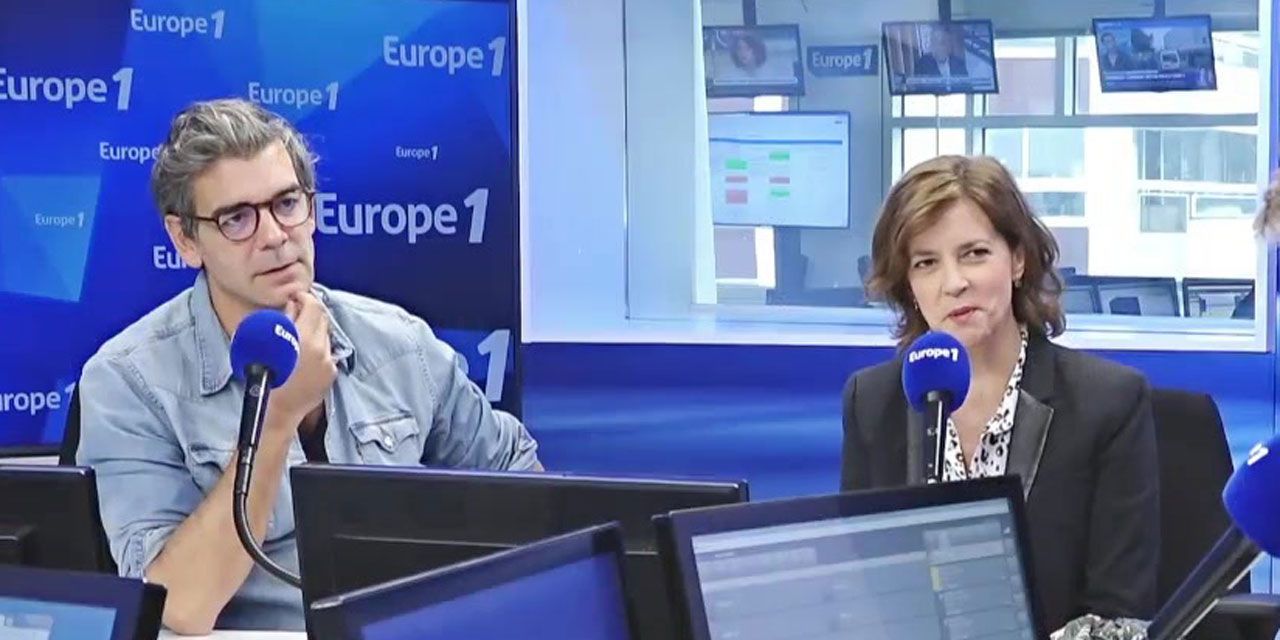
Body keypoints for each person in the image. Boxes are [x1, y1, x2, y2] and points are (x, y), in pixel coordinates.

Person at [76, 98, 542, 634]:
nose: (275, 235)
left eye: (287, 203)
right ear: (185, 239)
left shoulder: (401, 345)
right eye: (237, 219)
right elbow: (178, 606)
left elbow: (523, 482)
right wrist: (277, 422)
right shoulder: (128, 381)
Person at [840, 155, 1159, 632]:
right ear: (908, 284)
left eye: (974, 253)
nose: (954, 283)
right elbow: (860, 588)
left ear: (1018, 259)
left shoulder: (1107, 403)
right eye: (926, 263)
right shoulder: (872, 401)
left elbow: (1117, 615)